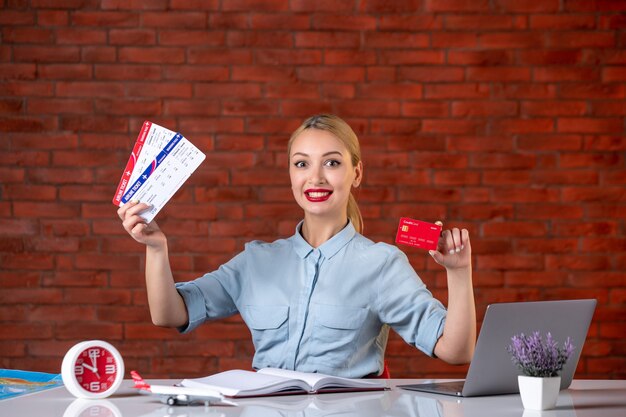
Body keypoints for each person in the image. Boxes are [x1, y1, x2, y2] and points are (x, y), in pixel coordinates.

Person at [118, 114, 476, 378]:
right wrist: (156, 249)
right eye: (301, 163)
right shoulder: (257, 261)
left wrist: (458, 273)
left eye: (332, 163)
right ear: (291, 174)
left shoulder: (382, 264)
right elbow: (170, 314)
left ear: (357, 173)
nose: (315, 177)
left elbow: (456, 351)